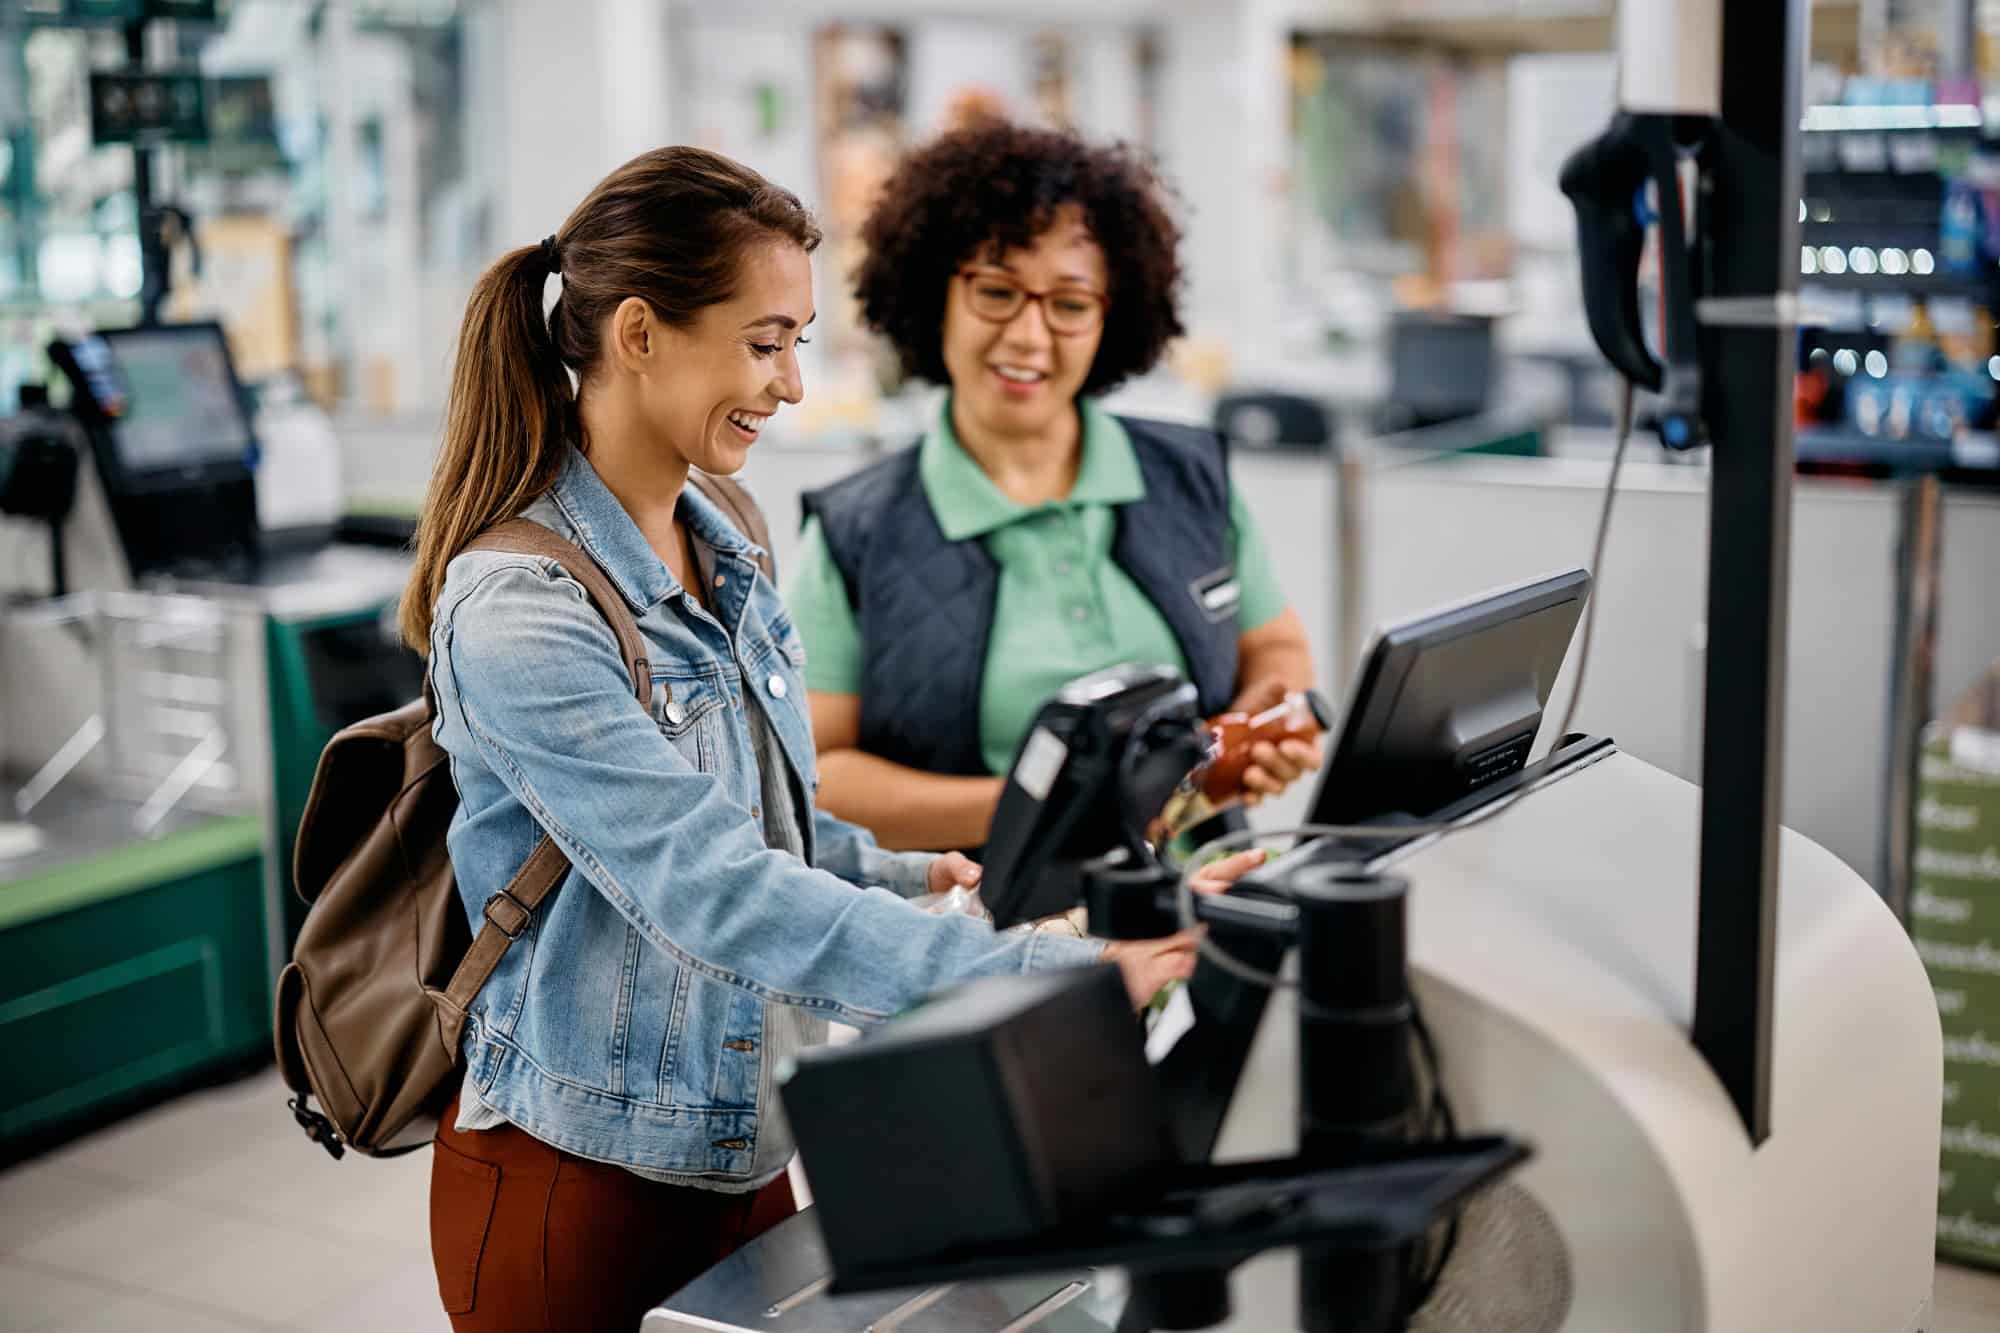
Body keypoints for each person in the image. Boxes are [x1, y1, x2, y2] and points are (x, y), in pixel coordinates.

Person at [403, 146, 1261, 1333]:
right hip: (577, 1174)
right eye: (765, 343)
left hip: (745, 1147)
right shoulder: (520, 608)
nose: (793, 385)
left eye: (797, 342)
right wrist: (1045, 976)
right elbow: (710, 889)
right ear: (640, 334)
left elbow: (765, 819)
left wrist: (912, 871)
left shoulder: (729, 535)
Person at [786, 120, 1324, 854]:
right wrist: (1048, 804)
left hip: (1209, 919)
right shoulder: (855, 536)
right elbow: (817, 776)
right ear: (932, 293)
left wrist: (1265, 722)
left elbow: (1277, 648)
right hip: (989, 941)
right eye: (997, 291)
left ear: (1114, 313)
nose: (1031, 337)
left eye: (1070, 304)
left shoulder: (1190, 479)